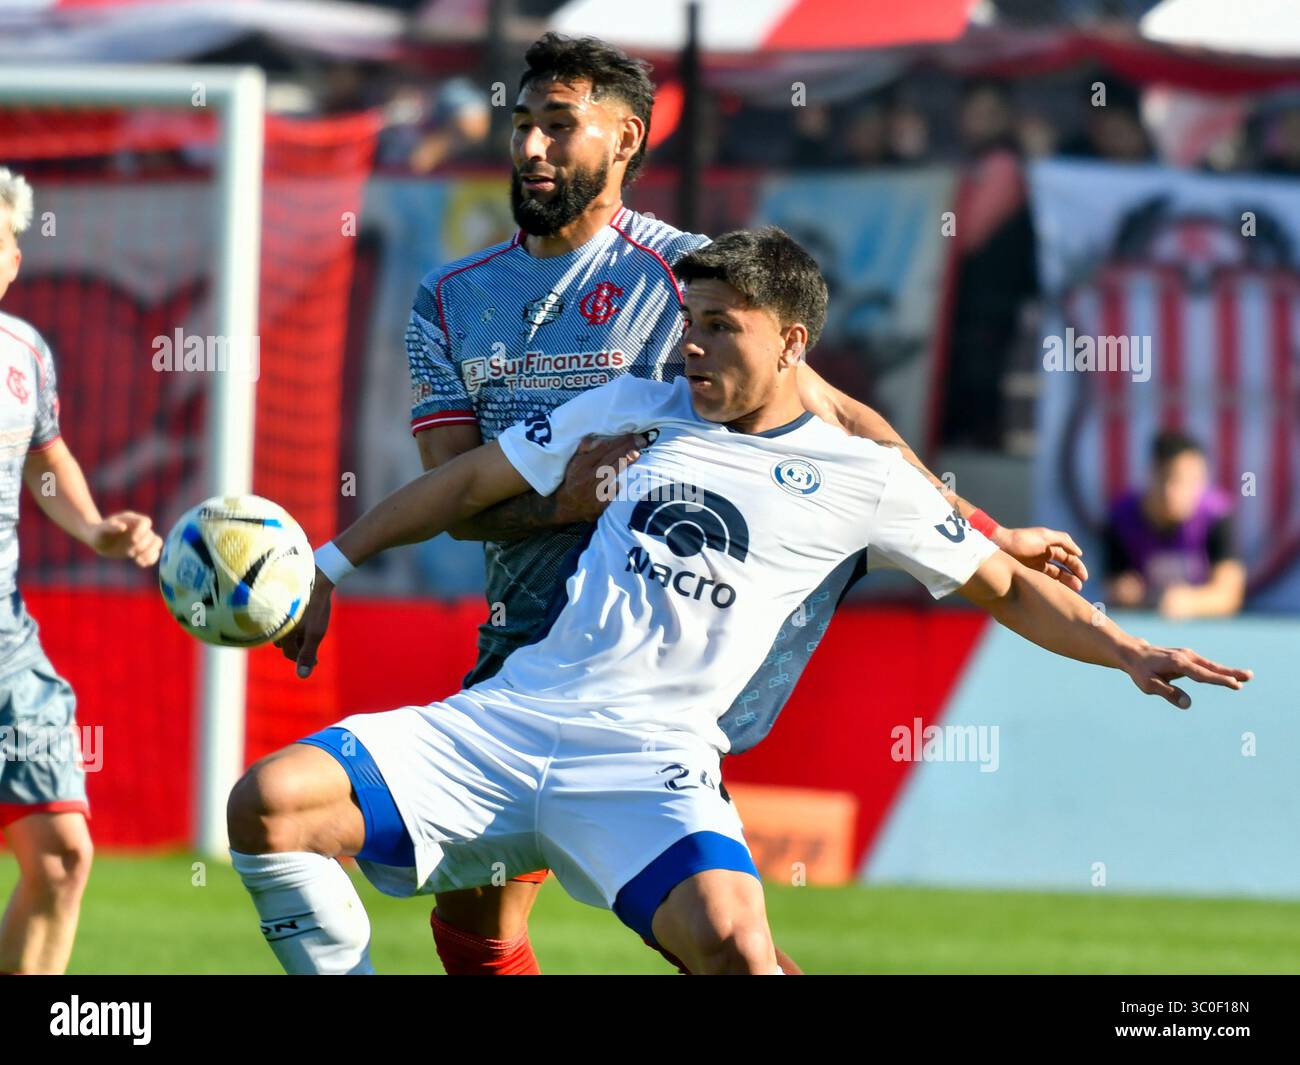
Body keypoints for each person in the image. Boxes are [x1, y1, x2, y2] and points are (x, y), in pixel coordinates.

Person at [225, 226, 1250, 976]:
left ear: (793, 344)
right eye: (687, 323)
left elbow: (1010, 595)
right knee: (267, 806)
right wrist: (332, 564)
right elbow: (466, 484)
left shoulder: (867, 480)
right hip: (507, 715)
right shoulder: (630, 404)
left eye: (721, 327)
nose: (693, 347)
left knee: (736, 952)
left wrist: (1123, 648)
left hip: (649, 760)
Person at [403, 32, 1089, 975]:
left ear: (627, 138)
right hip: (528, 642)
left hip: (677, 639)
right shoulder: (447, 298)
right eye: (522, 125)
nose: (530, 149)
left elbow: (841, 419)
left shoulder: (697, 277)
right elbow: (448, 492)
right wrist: (560, 507)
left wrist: (979, 527)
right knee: (475, 920)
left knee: (714, 930)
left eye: (559, 128)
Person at [0, 167, 163, 974]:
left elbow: (44, 457)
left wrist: (98, 528)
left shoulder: (24, 352)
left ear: (13, 259)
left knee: (62, 853)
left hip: (7, 650)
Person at [1104, 430, 1246, 620]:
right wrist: (1131, 595)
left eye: (1188, 481)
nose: (1174, 491)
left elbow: (1229, 595)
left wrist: (1188, 602)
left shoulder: (1217, 516)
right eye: (1167, 478)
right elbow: (1114, 587)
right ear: (1151, 474)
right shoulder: (1122, 516)